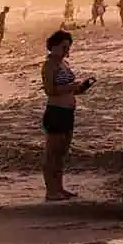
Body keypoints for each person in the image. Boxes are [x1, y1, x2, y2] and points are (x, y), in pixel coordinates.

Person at [41, 29, 93, 201]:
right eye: (64, 47)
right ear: (54, 46)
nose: (66, 50)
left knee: (62, 153)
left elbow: (71, 89)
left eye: (68, 47)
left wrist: (81, 87)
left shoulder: (65, 64)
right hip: (56, 111)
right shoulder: (49, 65)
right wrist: (70, 87)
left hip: (68, 111)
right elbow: (50, 90)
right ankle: (51, 190)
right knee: (52, 153)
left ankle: (59, 187)